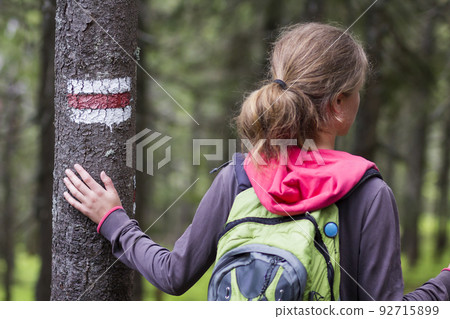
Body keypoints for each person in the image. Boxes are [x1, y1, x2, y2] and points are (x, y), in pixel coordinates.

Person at [63, 23, 450, 300]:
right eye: (357, 92)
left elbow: (173, 274)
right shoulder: (368, 193)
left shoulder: (239, 176)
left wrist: (113, 219)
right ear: (338, 105)